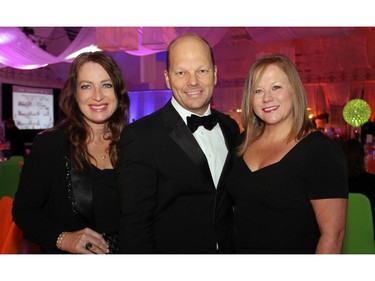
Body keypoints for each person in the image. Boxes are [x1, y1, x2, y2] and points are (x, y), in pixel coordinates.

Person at [118, 32, 241, 253]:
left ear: (215, 74)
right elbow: (135, 226)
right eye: (181, 72)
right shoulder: (141, 136)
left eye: (202, 71)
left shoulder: (229, 128)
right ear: (167, 78)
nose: (192, 81)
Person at [225, 54, 348, 254]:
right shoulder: (241, 143)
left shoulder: (319, 151)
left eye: (276, 87)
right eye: (258, 90)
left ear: (294, 90)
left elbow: (334, 236)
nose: (267, 98)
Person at [12, 51, 130, 254]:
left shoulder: (132, 143)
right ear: (75, 94)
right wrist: (62, 238)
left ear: (118, 92)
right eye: (86, 86)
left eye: (106, 84)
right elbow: (24, 211)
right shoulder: (51, 144)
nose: (98, 95)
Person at [342, 138, 375, 231]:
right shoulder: (372, 182)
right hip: (370, 240)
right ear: (363, 158)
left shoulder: (335, 185)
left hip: (340, 242)